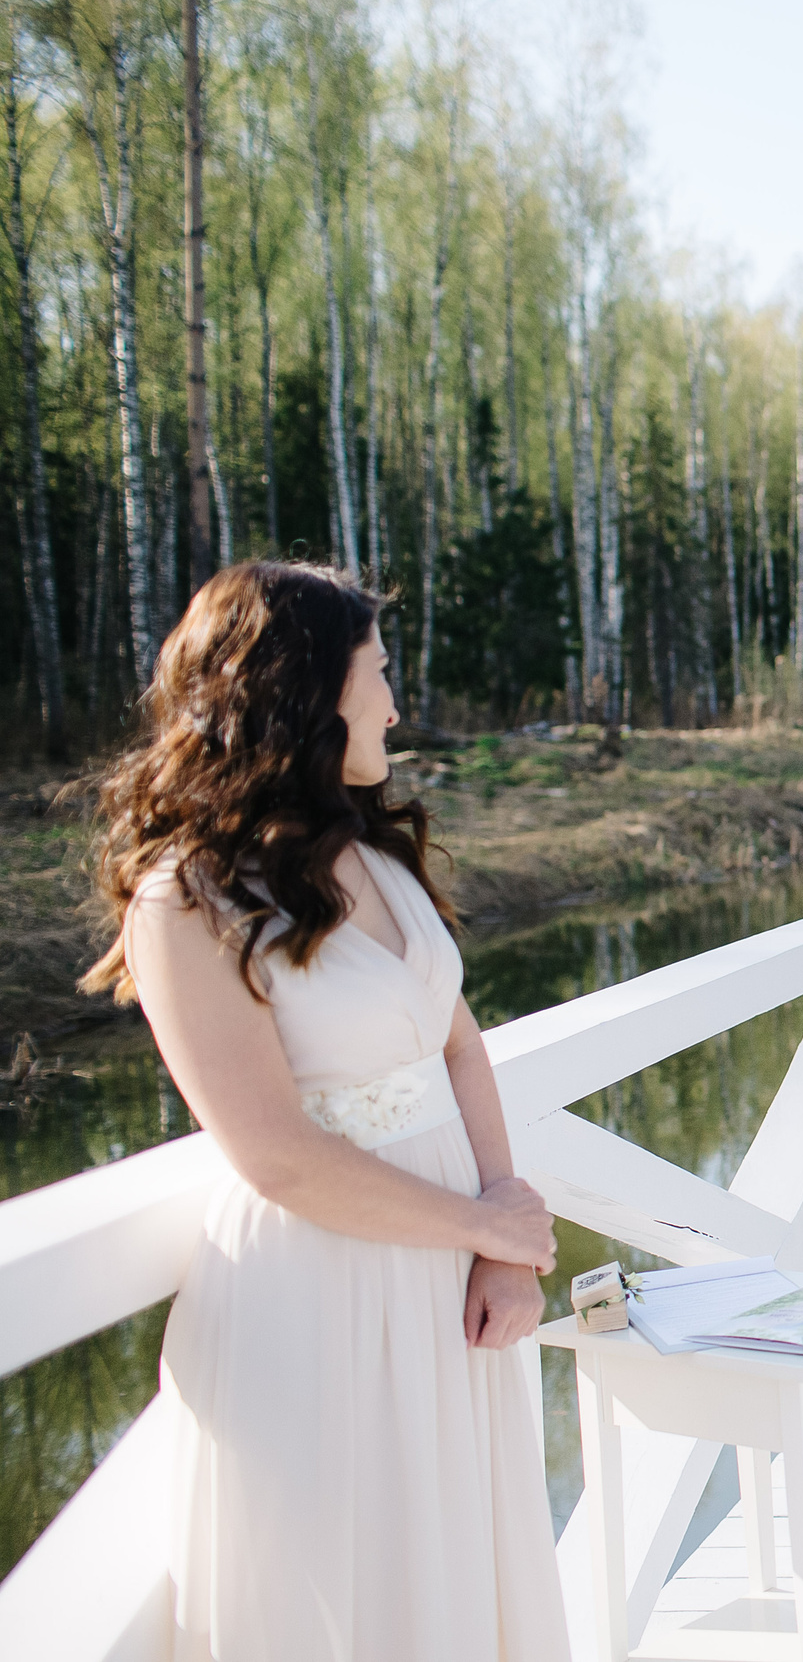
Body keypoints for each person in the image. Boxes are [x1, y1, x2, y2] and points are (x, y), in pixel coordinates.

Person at [84, 562, 571, 1661]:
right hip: (319, 1293)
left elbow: (457, 1043)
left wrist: (504, 1231)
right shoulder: (186, 899)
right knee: (344, 1597)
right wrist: (485, 1227)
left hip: (450, 1286)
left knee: (455, 1577)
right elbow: (275, 1156)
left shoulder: (371, 853)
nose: (395, 704)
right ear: (304, 690)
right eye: (378, 673)